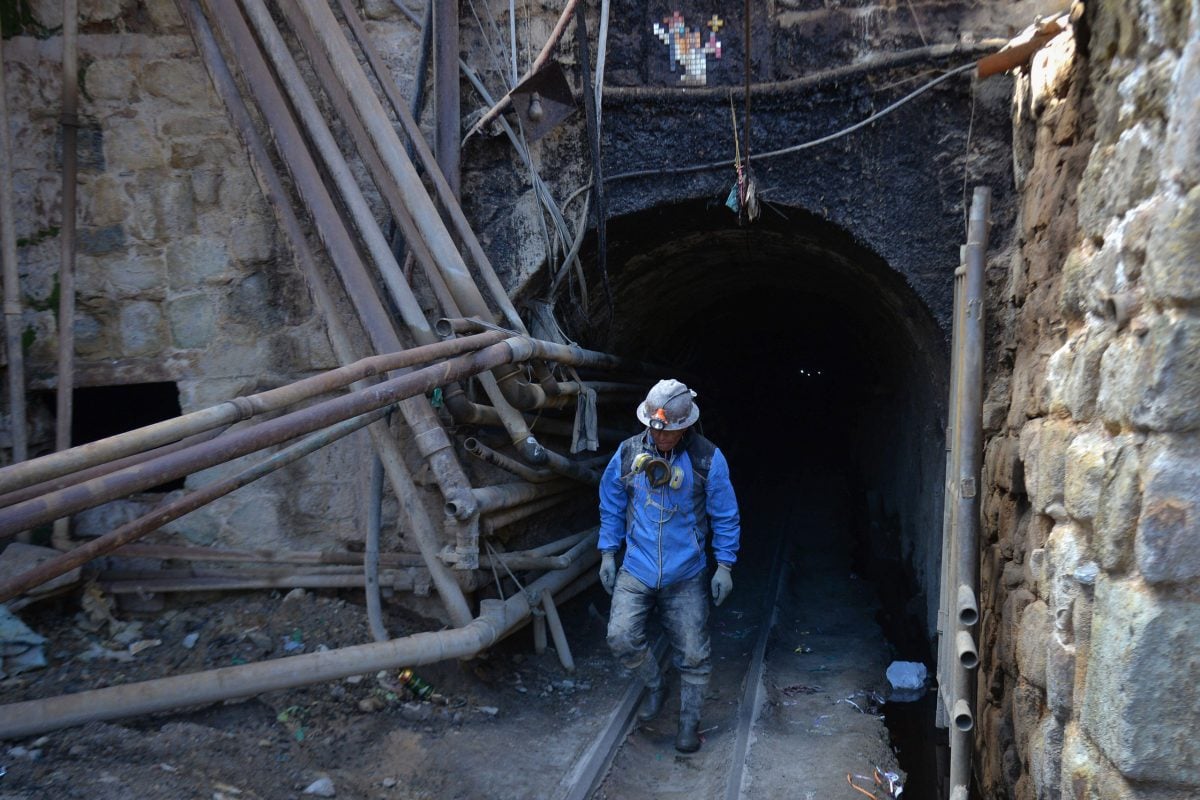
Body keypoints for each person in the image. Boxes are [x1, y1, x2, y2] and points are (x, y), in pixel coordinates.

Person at [597, 378, 741, 753]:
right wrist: (608, 553)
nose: (660, 438)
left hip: (686, 571)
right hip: (638, 565)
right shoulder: (628, 455)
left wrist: (724, 564)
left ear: (685, 427)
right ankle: (656, 684)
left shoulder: (708, 459)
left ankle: (689, 724)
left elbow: (725, 515)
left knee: (694, 653)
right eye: (654, 430)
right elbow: (611, 505)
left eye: (669, 432)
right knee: (621, 637)